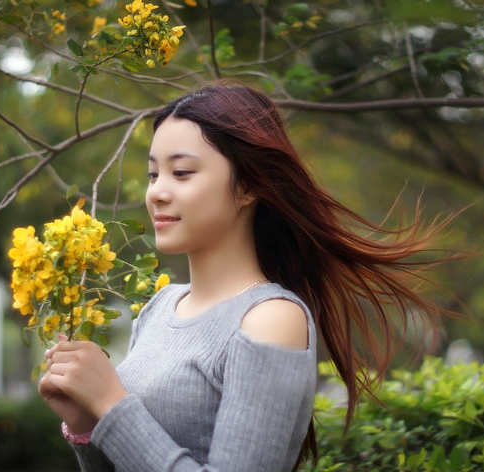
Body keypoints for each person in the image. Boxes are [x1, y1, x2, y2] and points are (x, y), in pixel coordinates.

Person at [39, 83, 453, 472]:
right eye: (153, 174)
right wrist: (86, 421)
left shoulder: (270, 319)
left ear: (248, 186)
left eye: (181, 173)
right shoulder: (160, 307)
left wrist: (111, 403)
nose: (157, 192)